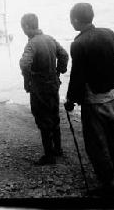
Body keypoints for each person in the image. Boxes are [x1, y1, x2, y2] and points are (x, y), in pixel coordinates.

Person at [64, 3, 114, 197]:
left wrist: (70, 99)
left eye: (71, 19)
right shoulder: (107, 33)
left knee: (97, 146)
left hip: (94, 103)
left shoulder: (78, 44)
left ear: (77, 21)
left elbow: (77, 76)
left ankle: (108, 185)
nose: (71, 22)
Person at [19, 13, 69, 165]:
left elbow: (24, 63)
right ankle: (58, 149)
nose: (22, 30)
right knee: (54, 115)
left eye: (23, 27)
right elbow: (64, 55)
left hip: (40, 87)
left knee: (42, 118)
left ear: (27, 27)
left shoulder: (32, 43)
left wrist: (27, 80)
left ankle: (49, 156)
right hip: (53, 85)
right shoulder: (50, 39)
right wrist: (59, 71)